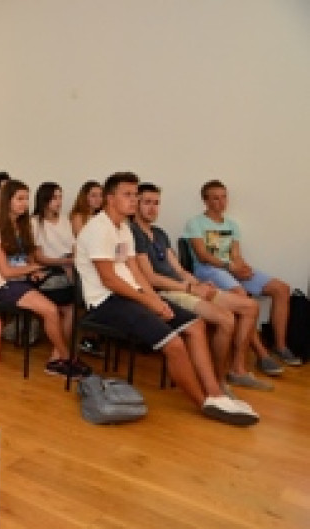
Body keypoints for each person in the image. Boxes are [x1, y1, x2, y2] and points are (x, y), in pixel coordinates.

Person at [75, 172, 258, 426]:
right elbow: (110, 280)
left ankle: (215, 392)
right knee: (174, 345)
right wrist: (148, 302)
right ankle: (203, 403)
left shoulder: (124, 228)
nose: (133, 200)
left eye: (135, 195)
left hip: (132, 294)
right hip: (106, 301)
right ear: (110, 198)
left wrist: (154, 299)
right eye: (128, 195)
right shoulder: (98, 229)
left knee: (196, 325)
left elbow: (135, 273)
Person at [131, 183, 273, 392]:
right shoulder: (132, 233)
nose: (153, 208)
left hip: (183, 286)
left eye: (157, 203)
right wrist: (188, 288)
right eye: (147, 203)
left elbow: (178, 268)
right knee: (226, 318)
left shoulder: (159, 233)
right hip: (166, 292)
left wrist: (198, 283)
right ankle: (218, 381)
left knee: (250, 306)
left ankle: (237, 370)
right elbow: (150, 278)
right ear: (136, 204)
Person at [185, 179, 300, 372]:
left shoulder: (232, 225)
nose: (221, 202)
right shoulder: (195, 223)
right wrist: (231, 267)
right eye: (215, 198)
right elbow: (202, 255)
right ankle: (261, 355)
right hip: (209, 271)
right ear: (205, 201)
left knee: (281, 288)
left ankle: (280, 347)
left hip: (229, 268)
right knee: (242, 297)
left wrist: (242, 268)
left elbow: (235, 254)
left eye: (224, 197)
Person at [0, 179, 88, 377]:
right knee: (50, 310)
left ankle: (57, 355)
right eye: (19, 199)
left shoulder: (23, 226)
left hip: (25, 280)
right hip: (5, 285)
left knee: (69, 307)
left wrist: (33, 271)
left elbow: (28, 259)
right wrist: (33, 268)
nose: (24, 203)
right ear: (7, 201)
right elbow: (5, 271)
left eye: (26, 199)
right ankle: (66, 359)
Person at [30, 181, 76, 336]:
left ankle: (63, 348)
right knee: (70, 307)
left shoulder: (64, 220)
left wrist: (73, 260)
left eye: (60, 197)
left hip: (67, 266)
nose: (59, 202)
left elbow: (72, 246)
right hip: (49, 270)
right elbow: (39, 257)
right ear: (44, 200)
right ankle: (62, 349)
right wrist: (64, 262)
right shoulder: (35, 223)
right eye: (55, 198)